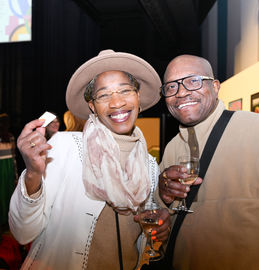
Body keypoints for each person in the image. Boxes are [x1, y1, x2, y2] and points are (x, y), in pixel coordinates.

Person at [8, 49, 170, 270]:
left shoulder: (149, 166)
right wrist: (34, 174)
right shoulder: (66, 147)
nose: (116, 102)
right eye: (104, 95)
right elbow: (22, 232)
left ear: (138, 96)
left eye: (125, 90)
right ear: (92, 106)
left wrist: (163, 223)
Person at [158, 54, 259, 270]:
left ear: (216, 86)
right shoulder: (173, 147)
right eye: (171, 87)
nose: (181, 93)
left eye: (193, 81)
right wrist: (163, 194)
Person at [0, 113, 18, 228]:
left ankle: (7, 221)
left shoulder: (11, 137)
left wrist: (16, 175)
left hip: (9, 169)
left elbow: (14, 157)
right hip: (3, 169)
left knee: (8, 194)